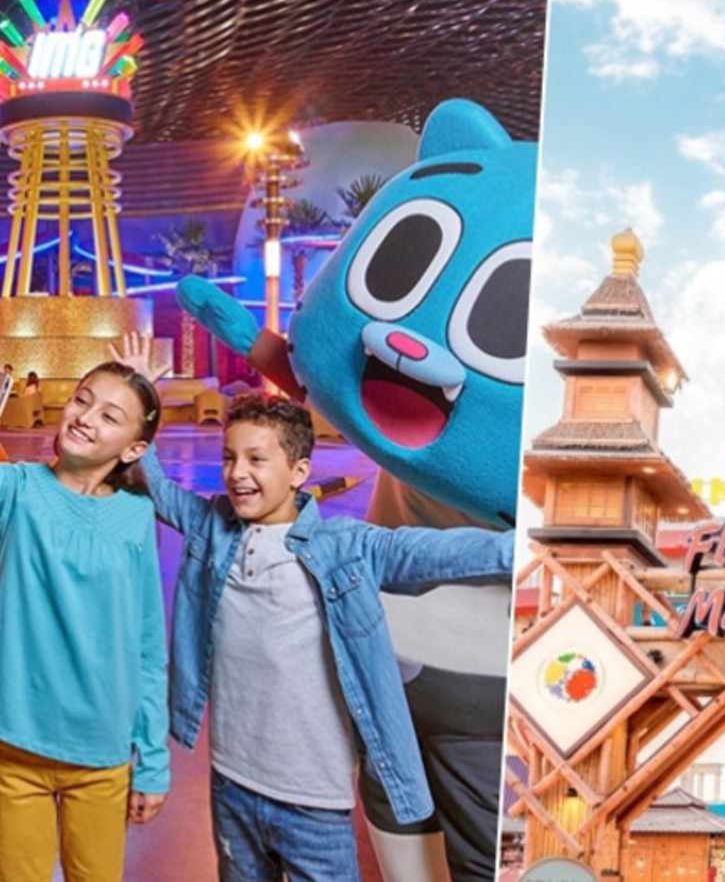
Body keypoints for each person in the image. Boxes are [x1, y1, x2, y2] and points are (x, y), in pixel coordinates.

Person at [113, 333, 515, 880]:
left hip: (314, 803)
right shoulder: (213, 528)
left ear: (300, 471)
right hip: (231, 782)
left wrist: (530, 544)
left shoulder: (345, 546)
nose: (237, 473)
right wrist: (141, 394)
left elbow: (436, 553)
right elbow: (150, 482)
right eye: (230, 457)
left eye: (257, 459)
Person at [0, 356, 168, 881]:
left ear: (135, 449)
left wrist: (155, 759)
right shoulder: (16, 490)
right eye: (82, 399)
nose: (86, 417)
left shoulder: (136, 515)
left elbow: (146, 645)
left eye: (111, 417)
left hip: (102, 755)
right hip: (13, 749)